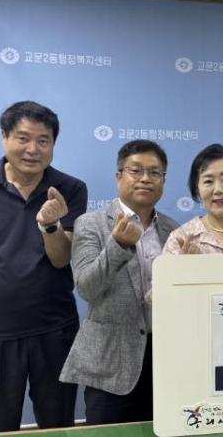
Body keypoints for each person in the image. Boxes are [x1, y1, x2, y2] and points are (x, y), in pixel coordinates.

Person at [0, 101, 87, 436]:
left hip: (54, 332)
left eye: (43, 140)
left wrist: (50, 225)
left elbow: (61, 259)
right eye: (23, 138)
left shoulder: (70, 189)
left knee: (58, 427)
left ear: (53, 144)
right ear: (4, 137)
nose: (33, 149)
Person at [59, 140, 179, 424]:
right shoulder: (90, 223)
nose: (145, 179)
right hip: (111, 361)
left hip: (163, 360)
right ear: (118, 176)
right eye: (136, 170)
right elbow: (87, 288)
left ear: (163, 181)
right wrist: (118, 245)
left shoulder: (173, 229)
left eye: (155, 172)